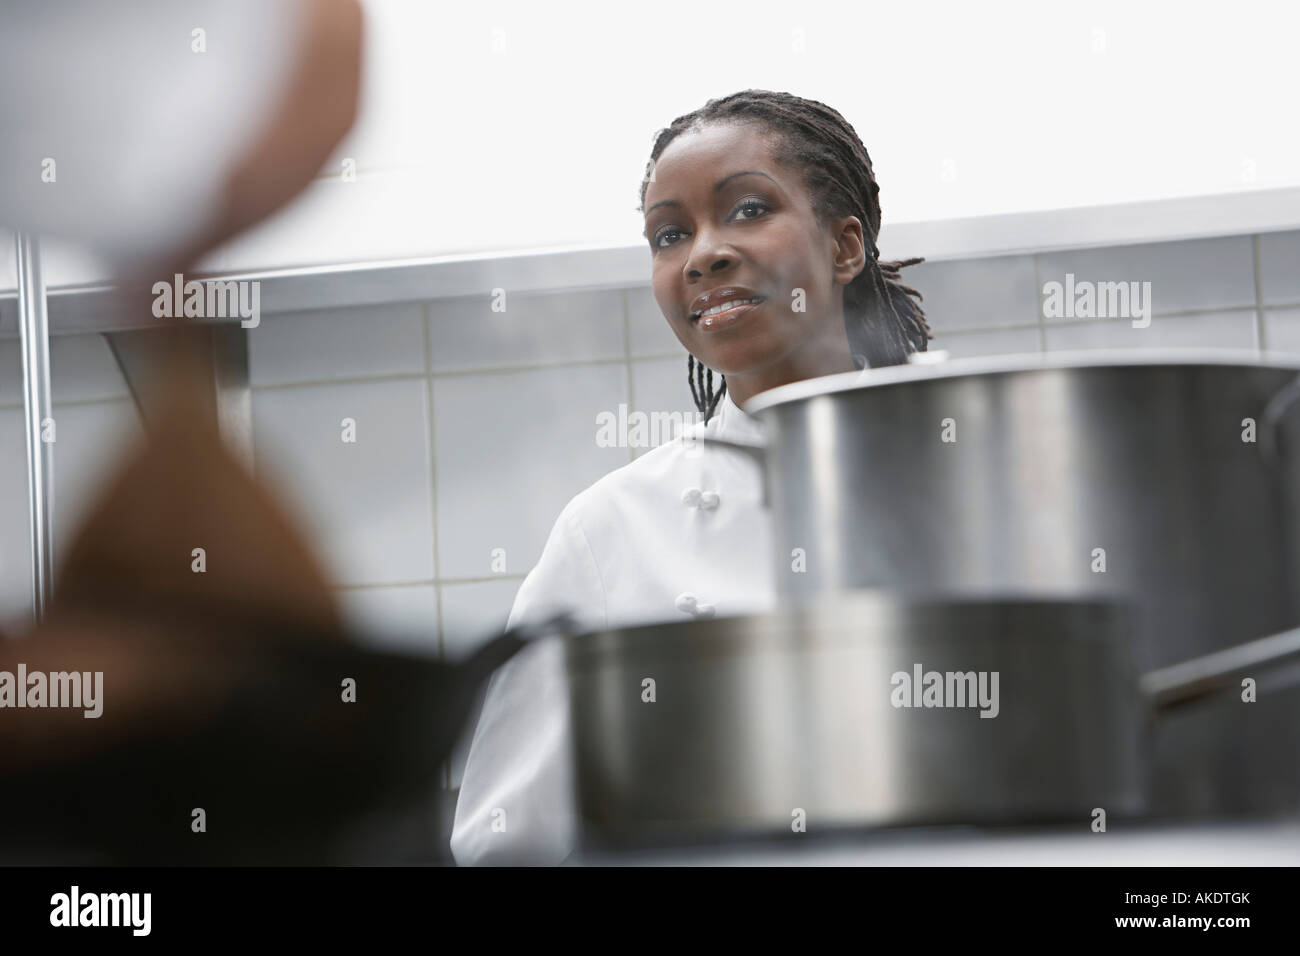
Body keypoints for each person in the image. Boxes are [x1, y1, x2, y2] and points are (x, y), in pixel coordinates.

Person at [450, 89, 933, 865]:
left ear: (845, 249)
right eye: (669, 234)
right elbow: (506, 844)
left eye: (747, 210)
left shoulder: (976, 471)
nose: (703, 253)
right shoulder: (611, 532)